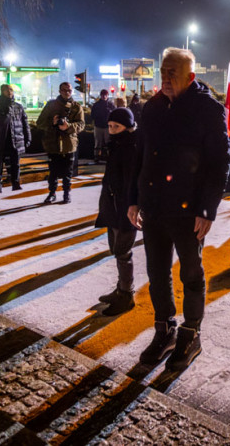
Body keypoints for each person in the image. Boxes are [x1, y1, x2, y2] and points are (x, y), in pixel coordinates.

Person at [128, 47, 230, 371]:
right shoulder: (153, 108)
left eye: (173, 73)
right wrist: (133, 198)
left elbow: (219, 163)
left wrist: (208, 209)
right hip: (154, 206)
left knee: (191, 273)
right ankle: (165, 329)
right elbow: (139, 154)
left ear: (191, 76)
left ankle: (191, 332)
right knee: (157, 273)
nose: (166, 78)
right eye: (163, 71)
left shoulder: (208, 109)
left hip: (189, 210)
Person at [95, 107, 139, 316]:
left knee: (123, 252)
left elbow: (131, 181)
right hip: (112, 206)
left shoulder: (130, 148)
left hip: (124, 208)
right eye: (110, 126)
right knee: (117, 250)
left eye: (117, 126)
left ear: (128, 127)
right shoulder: (116, 145)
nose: (112, 130)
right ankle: (121, 289)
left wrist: (132, 206)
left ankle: (126, 295)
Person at [38, 82, 85, 204]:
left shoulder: (76, 107)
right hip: (52, 144)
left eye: (69, 90)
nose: (67, 92)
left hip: (69, 145)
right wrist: (52, 123)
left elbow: (81, 125)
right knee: (53, 172)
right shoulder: (51, 105)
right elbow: (40, 123)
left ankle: (66, 194)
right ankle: (52, 193)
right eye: (64, 90)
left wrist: (68, 126)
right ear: (59, 91)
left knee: (67, 173)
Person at [0, 84, 31, 191]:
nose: (9, 92)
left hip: (16, 140)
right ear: (2, 91)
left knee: (15, 164)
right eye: (6, 90)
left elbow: (25, 123)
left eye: (11, 90)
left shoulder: (18, 107)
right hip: (1, 141)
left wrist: (28, 138)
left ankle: (16, 183)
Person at [91, 89, 115, 162]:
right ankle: (98, 156)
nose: (104, 96)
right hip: (100, 126)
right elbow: (93, 115)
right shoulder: (108, 105)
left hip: (104, 126)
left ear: (107, 96)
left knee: (106, 142)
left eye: (105, 95)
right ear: (101, 95)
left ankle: (106, 156)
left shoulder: (109, 104)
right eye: (103, 95)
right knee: (99, 142)